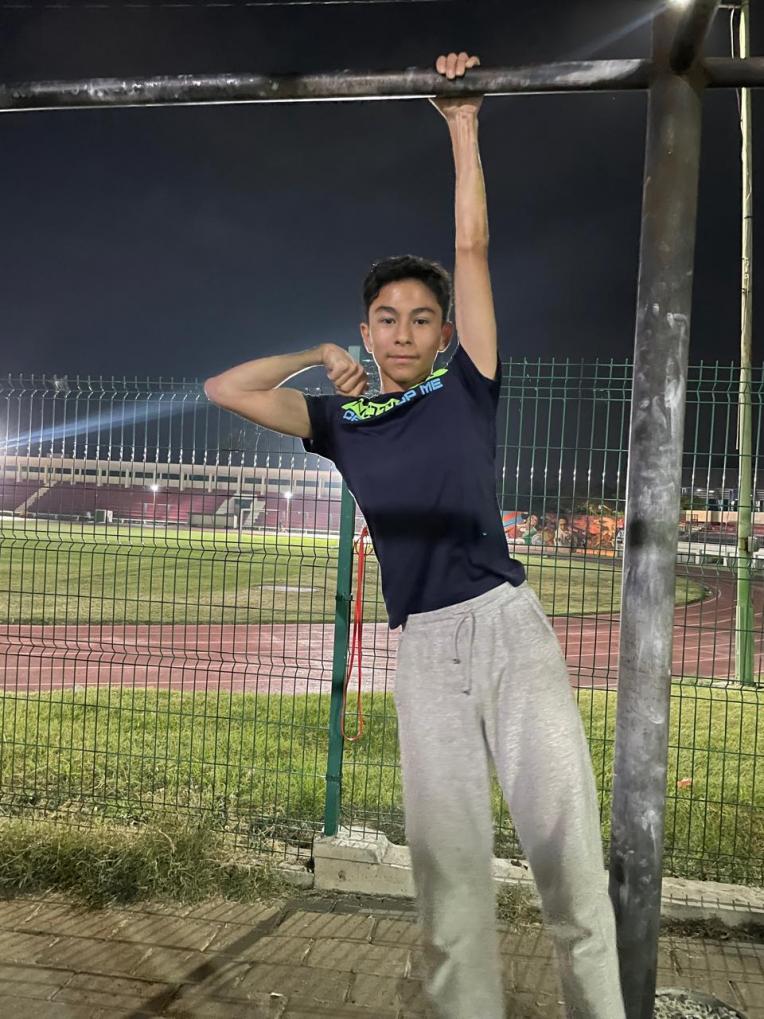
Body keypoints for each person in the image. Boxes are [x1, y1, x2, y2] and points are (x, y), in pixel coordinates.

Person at [205, 51, 625, 1019]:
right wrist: (312, 354)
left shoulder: (467, 389)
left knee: (567, 858)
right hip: (425, 649)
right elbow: (225, 388)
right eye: (384, 319)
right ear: (366, 330)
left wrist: (461, 124)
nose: (401, 332)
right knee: (449, 880)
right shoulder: (340, 422)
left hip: (508, 630)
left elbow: (471, 249)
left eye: (420, 319)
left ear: (442, 336)